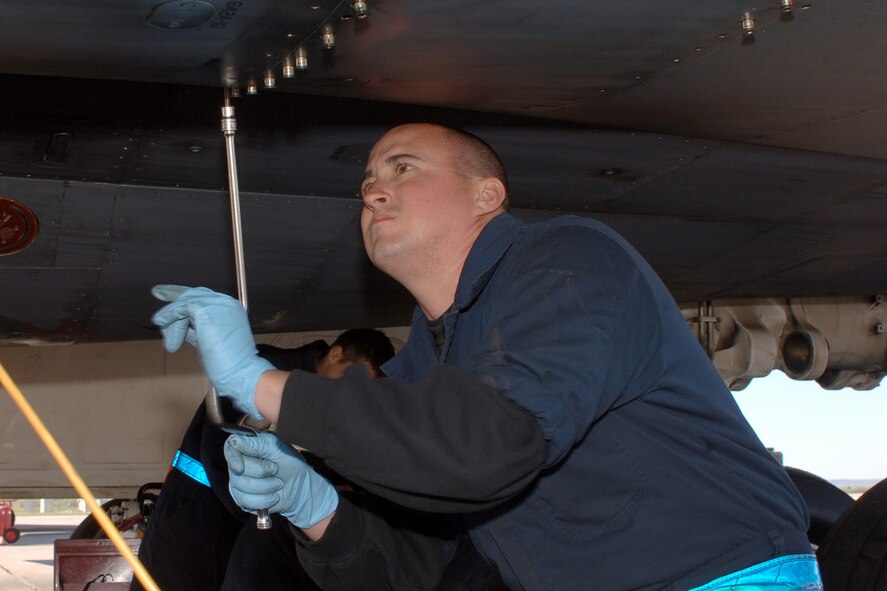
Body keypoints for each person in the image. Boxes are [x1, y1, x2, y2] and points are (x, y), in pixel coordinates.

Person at [153, 123, 822, 590]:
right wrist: (314, 504)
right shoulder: (427, 365)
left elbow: (490, 443)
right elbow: (416, 566)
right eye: (366, 180)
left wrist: (260, 381)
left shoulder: (568, 261)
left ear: (487, 195)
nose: (372, 190)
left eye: (402, 168)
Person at [132, 329, 396, 591]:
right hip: (193, 515)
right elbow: (218, 454)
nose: (351, 395)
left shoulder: (328, 409)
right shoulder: (261, 371)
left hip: (240, 528)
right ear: (336, 354)